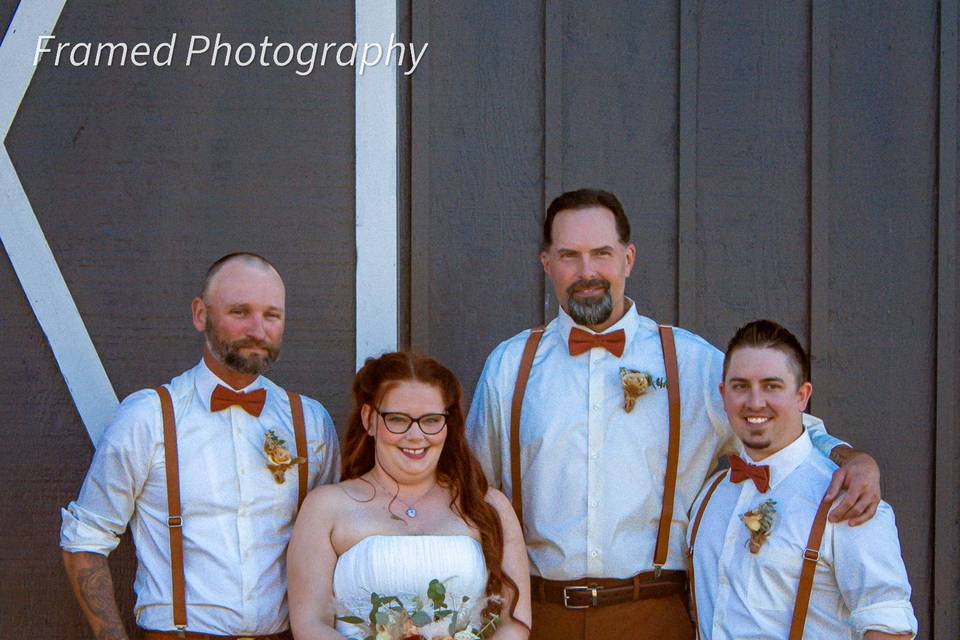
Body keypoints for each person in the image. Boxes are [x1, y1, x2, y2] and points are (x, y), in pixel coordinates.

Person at [466, 188, 884, 639]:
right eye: (570, 255)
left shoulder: (690, 363)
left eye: (602, 254)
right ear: (547, 264)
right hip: (538, 614)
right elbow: (469, 492)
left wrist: (854, 460)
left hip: (655, 614)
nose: (587, 272)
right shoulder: (510, 367)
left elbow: (792, 435)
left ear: (628, 258)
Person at [60, 252, 341, 640]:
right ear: (200, 314)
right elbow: (84, 539)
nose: (257, 330)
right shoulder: (148, 417)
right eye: (240, 312)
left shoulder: (310, 423)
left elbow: (332, 545)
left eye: (271, 315)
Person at [686, 319, 916, 639]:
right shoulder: (710, 495)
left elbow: (889, 626)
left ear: (802, 396)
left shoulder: (847, 498)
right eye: (740, 386)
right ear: (724, 395)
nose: (754, 402)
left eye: (772, 386)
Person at [287, 352, 531, 639]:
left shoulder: (489, 506)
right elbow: (310, 623)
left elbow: (513, 623)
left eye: (430, 420)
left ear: (448, 424)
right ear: (369, 420)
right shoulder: (326, 507)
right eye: (398, 419)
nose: (416, 436)